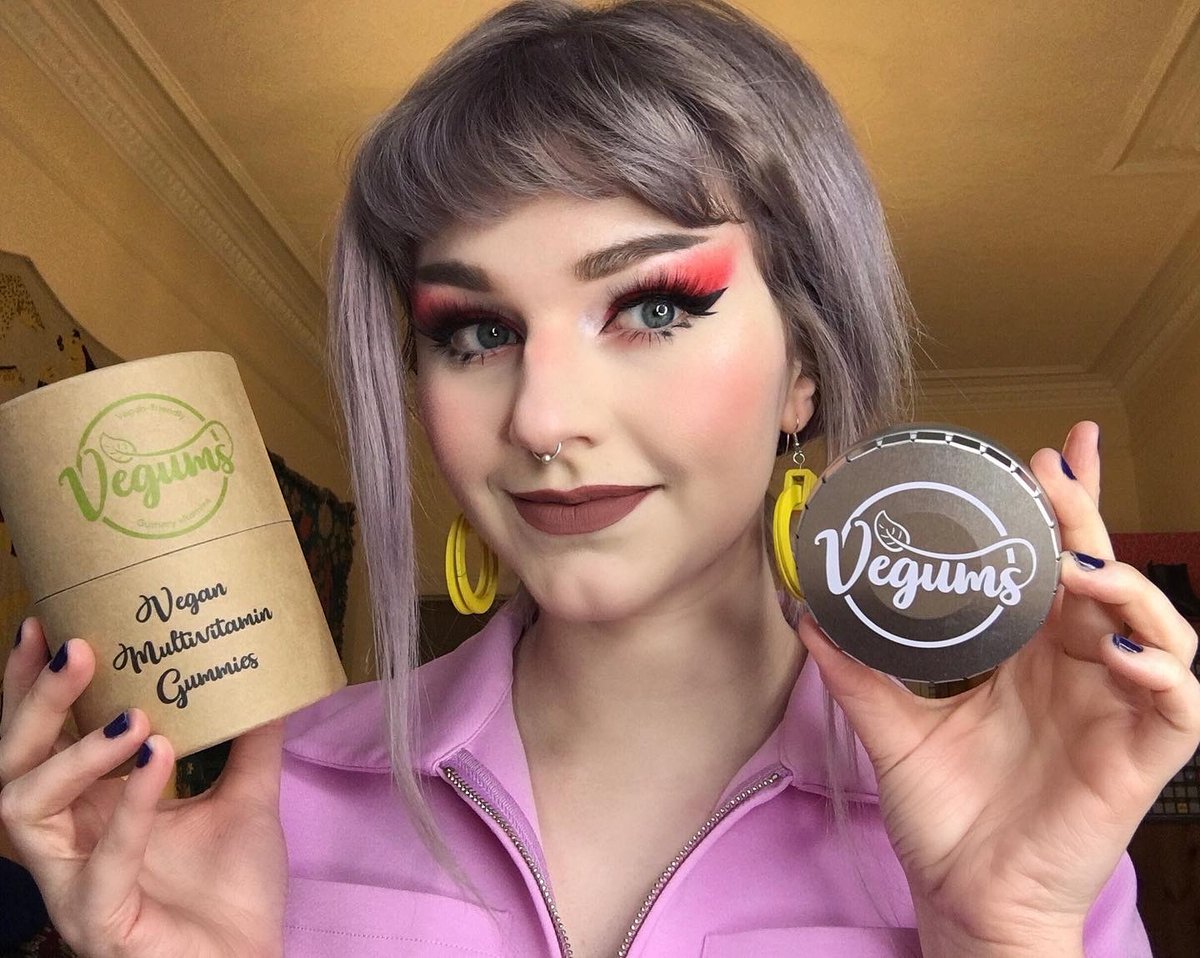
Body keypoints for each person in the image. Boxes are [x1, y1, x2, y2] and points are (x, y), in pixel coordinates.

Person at [1, 1, 1197, 955]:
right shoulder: (278, 791)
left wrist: (1006, 934)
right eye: (475, 331)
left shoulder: (1009, 826)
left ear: (804, 372)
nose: (541, 418)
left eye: (653, 308)